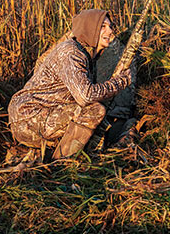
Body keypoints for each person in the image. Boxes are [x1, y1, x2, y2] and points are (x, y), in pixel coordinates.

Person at [8, 9, 133, 162]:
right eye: (103, 27)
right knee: (94, 111)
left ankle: (61, 154)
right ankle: (62, 164)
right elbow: (85, 96)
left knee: (96, 112)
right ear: (90, 28)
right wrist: (120, 82)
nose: (110, 31)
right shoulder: (71, 52)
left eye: (110, 26)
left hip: (42, 114)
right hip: (28, 118)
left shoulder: (85, 54)